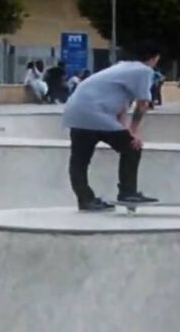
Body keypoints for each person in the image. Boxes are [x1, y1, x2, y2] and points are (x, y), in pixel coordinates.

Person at [62, 40, 161, 212]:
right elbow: (142, 104)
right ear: (155, 58)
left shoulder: (121, 68)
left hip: (75, 112)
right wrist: (131, 134)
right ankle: (127, 192)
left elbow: (120, 108)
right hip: (97, 115)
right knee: (132, 149)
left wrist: (126, 132)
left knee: (79, 161)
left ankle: (85, 200)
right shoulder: (144, 71)